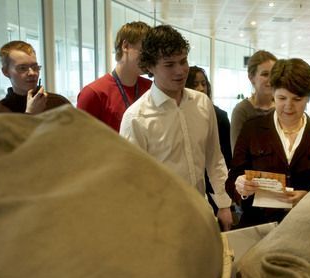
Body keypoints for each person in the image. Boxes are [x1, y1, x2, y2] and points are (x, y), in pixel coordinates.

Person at [119, 25, 233, 230]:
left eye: (183, 61)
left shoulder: (202, 103)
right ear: (150, 67)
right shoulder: (136, 118)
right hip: (160, 224)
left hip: (201, 214)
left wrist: (224, 204)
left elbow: (214, 159)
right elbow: (131, 183)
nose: (180, 71)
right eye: (170, 64)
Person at [227, 58, 310, 228]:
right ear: (273, 94)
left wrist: (307, 196)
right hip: (258, 226)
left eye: (297, 99)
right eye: (282, 98)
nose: (288, 106)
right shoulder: (252, 129)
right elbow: (233, 178)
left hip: (305, 228)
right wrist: (240, 186)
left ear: (308, 98)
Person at [77, 21, 152, 132]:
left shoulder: (150, 88)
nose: (149, 58)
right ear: (125, 46)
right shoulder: (93, 94)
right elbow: (80, 142)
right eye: (144, 52)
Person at [186, 66, 233, 221]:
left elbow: (222, 160)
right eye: (194, 84)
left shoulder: (219, 116)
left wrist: (223, 203)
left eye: (203, 83)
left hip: (214, 189)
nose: (200, 88)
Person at [0, 41, 70, 113]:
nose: (32, 73)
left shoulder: (59, 103)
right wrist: (30, 115)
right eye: (22, 68)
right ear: (6, 72)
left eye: (35, 67)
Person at [230, 50, 277, 152]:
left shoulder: (281, 108)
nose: (271, 79)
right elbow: (237, 154)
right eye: (265, 74)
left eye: (273, 74)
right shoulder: (242, 111)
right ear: (251, 78)